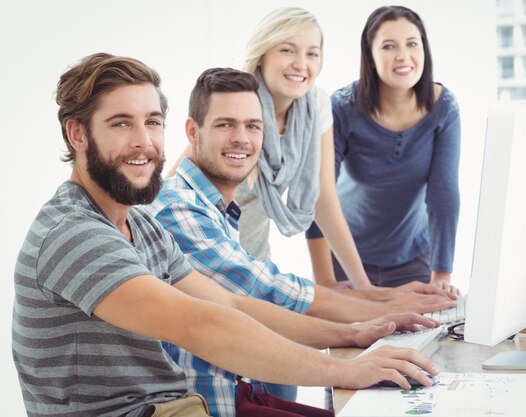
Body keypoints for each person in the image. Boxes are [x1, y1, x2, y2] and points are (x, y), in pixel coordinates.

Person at [11, 52, 440, 417]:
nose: (144, 142)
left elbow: (232, 303)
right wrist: (345, 370)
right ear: (77, 133)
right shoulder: (74, 234)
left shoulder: (139, 225)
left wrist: (354, 334)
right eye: (122, 124)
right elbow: (200, 324)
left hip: (173, 406)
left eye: (153, 122)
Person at [148, 67, 453, 417]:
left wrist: (365, 321)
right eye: (225, 124)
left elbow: (255, 297)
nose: (242, 138)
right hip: (210, 404)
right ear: (192, 131)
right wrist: (370, 315)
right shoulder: (177, 208)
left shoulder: (213, 209)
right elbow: (266, 291)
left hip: (233, 391)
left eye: (253, 126)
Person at [166, 7, 451, 300]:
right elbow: (173, 188)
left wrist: (363, 287)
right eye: (288, 50)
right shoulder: (238, 103)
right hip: (203, 261)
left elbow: (323, 198)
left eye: (312, 53)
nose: (301, 64)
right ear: (263, 55)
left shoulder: (314, 104)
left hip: (254, 261)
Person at [306, 6, 461, 292]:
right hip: (346, 255)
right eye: (389, 46)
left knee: (418, 335)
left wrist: (442, 274)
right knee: (352, 337)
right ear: (371, 55)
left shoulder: (443, 108)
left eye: (412, 44)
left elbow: (444, 194)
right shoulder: (341, 108)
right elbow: (318, 193)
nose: (403, 56)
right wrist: (325, 281)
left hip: (413, 257)